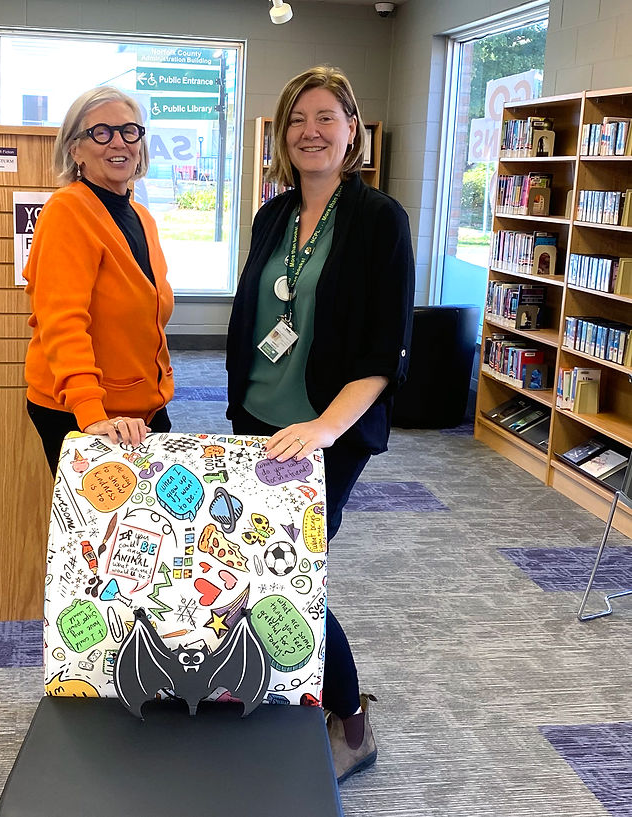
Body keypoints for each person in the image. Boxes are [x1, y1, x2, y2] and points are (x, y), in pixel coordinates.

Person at [226, 66, 414, 783]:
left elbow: (383, 350)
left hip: (328, 431)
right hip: (256, 419)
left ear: (352, 130)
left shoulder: (379, 221)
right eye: (298, 118)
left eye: (327, 116)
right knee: (244, 562)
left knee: (290, 573)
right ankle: (278, 683)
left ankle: (352, 722)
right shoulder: (271, 216)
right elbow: (260, 320)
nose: (311, 130)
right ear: (281, 134)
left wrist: (327, 429)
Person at [24, 86, 174, 473]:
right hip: (87, 411)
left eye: (129, 131)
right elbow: (62, 321)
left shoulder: (142, 218)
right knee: (100, 531)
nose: (118, 142)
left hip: (142, 411)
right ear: (75, 149)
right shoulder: (67, 211)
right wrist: (90, 415)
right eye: (101, 132)